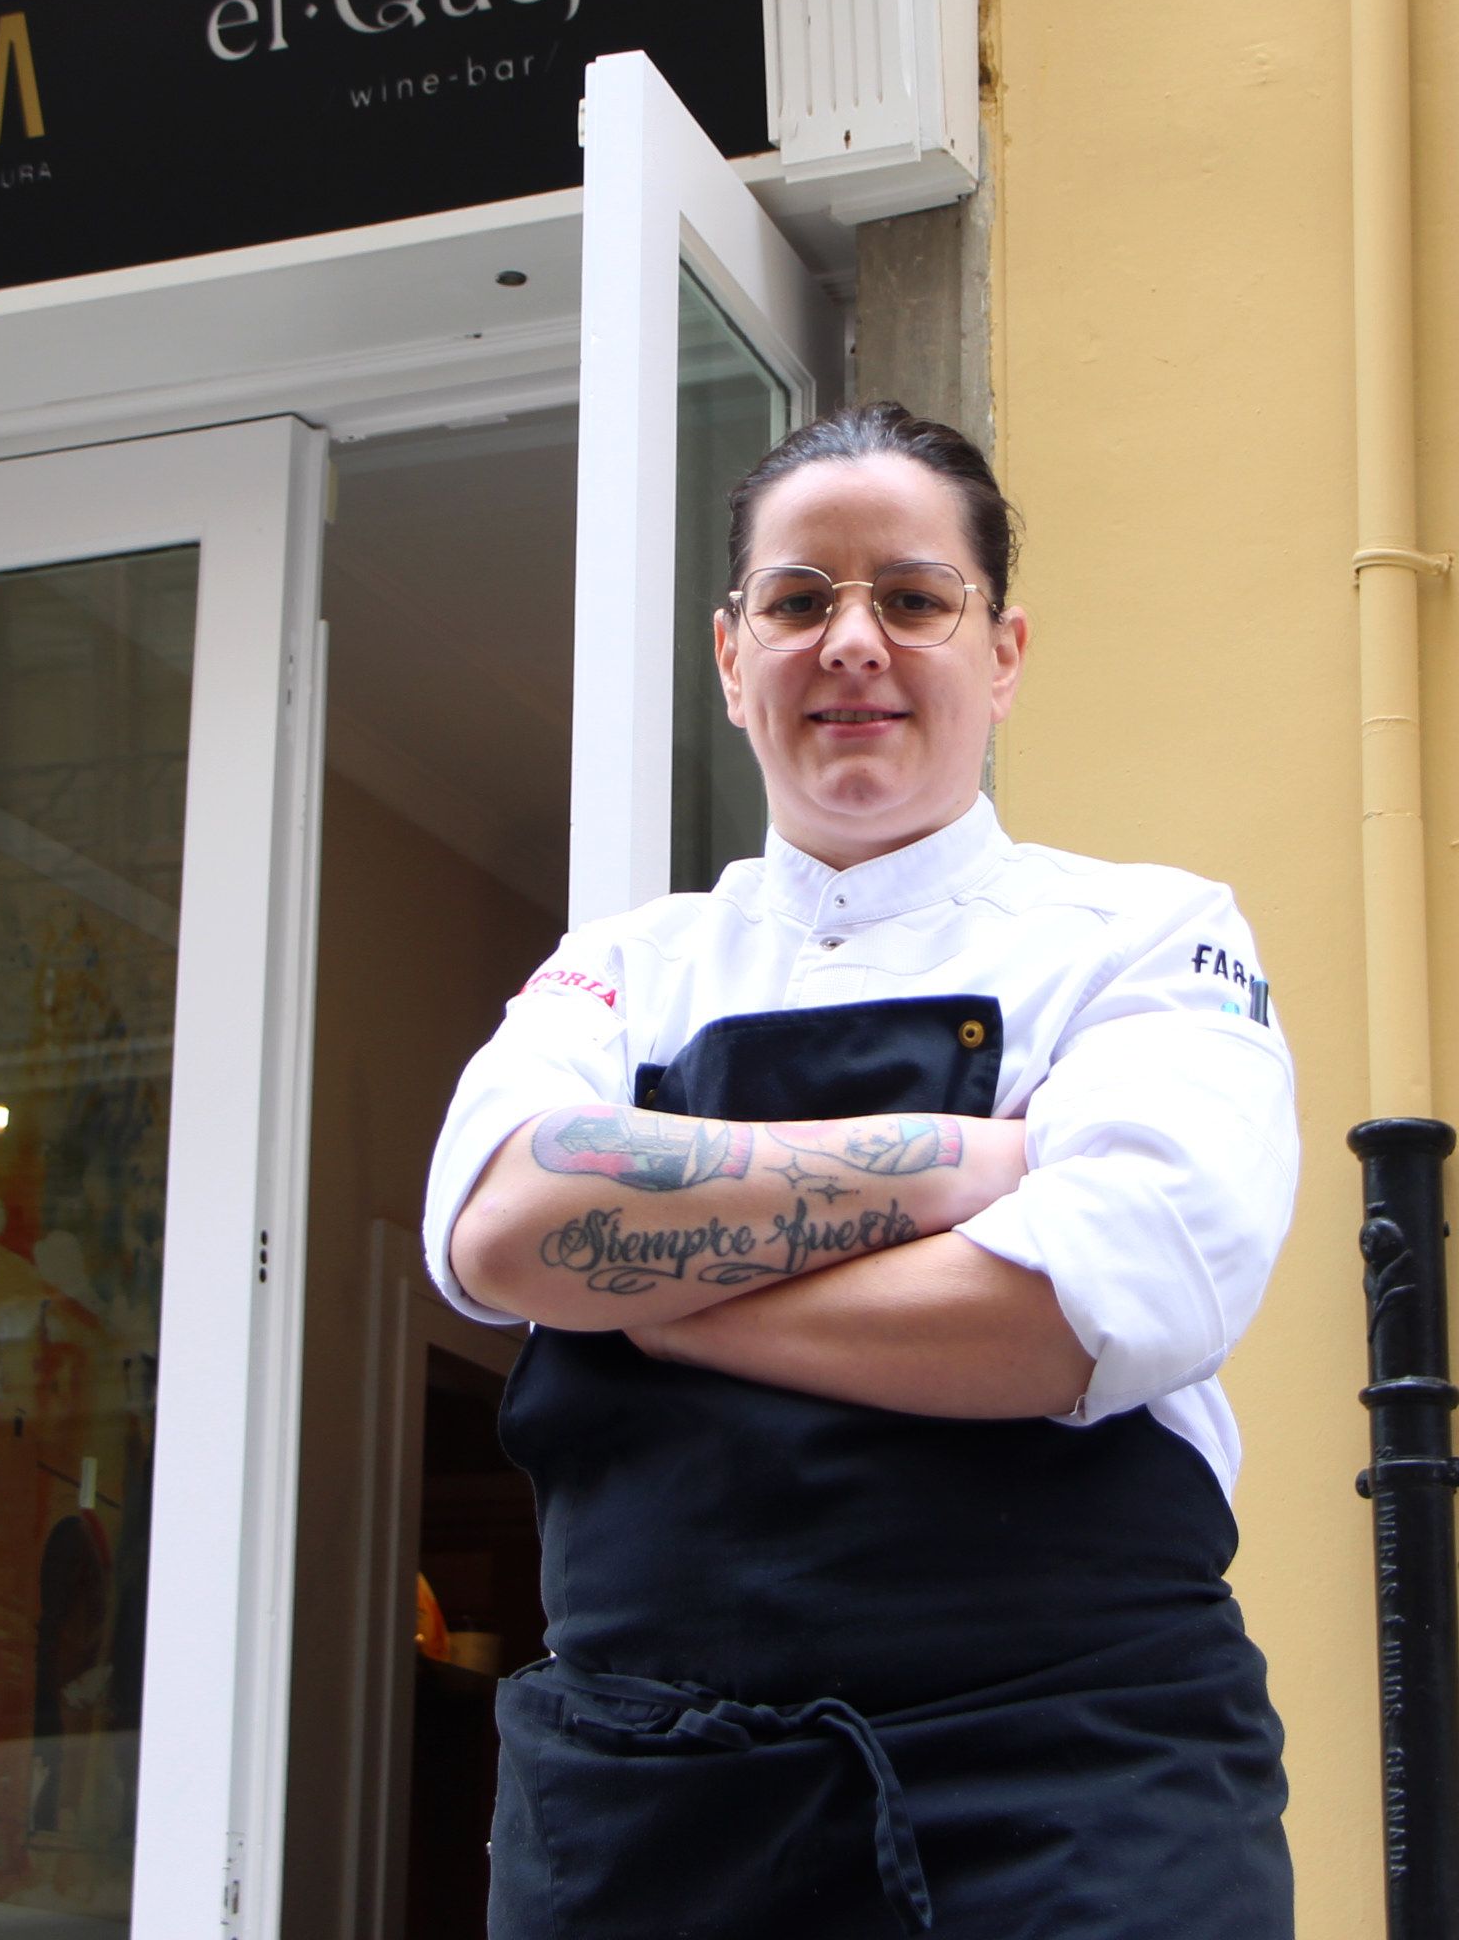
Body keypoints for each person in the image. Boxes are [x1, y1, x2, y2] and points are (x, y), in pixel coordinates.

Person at [423, 404, 1299, 1938]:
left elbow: (1090, 1304)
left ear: (1004, 651)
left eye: (911, 597)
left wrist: (653, 1296)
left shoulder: (1148, 937)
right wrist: (971, 1163)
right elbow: (505, 1227)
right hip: (652, 1803)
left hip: (1078, 1782)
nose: (852, 643)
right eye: (799, 601)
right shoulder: (622, 965)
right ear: (729, 653)